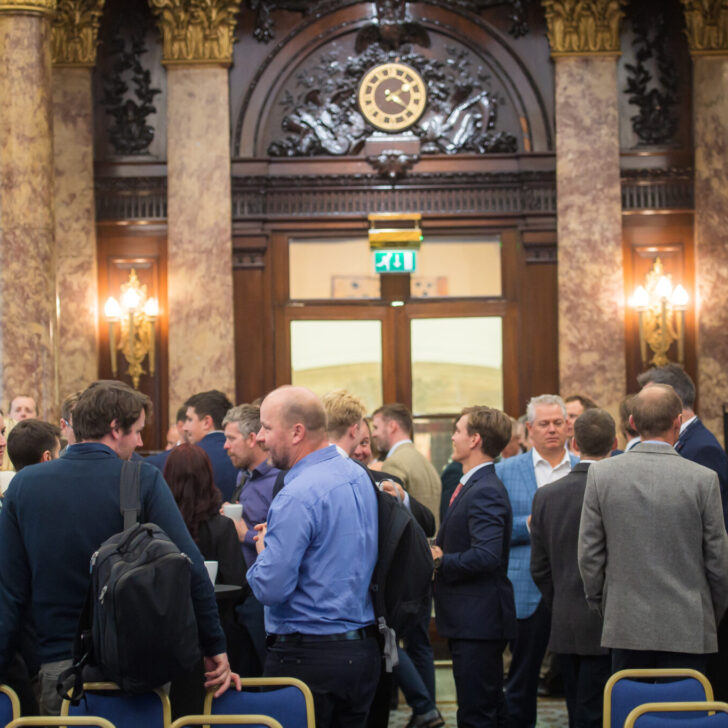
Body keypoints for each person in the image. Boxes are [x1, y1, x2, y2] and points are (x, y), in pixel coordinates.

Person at [0, 380, 239, 715]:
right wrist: (214, 644)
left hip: (60, 668)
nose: (140, 442)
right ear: (115, 428)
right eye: (137, 431)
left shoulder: (24, 485)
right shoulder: (141, 478)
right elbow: (191, 566)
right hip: (137, 666)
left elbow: (8, 591)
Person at [247, 385, 380, 727]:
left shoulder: (297, 494)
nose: (259, 437)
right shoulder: (358, 475)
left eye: (266, 427)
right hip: (361, 652)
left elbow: (271, 588)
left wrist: (263, 552)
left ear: (297, 432)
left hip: (306, 660)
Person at [578, 384, 728, 674]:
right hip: (688, 625)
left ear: (632, 422)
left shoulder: (601, 474)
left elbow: (589, 554)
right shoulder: (704, 479)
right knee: (681, 704)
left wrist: (603, 605)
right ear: (678, 422)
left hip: (625, 623)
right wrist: (710, 612)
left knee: (629, 702)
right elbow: (718, 562)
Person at [324, 391, 441, 728]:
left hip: (382, 613)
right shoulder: (311, 482)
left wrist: (401, 497)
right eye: (358, 442)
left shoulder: (384, 479)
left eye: (367, 443)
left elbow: (428, 522)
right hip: (336, 628)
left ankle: (424, 708)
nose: (363, 451)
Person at [495, 394, 578, 728]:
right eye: (544, 424)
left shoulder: (583, 468)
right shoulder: (505, 471)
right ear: (529, 429)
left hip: (575, 588)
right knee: (522, 678)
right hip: (525, 588)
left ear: (568, 426)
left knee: (576, 677)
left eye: (558, 422)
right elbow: (495, 529)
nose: (552, 429)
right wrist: (529, 525)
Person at [530, 409, 615, 728]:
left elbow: (539, 568)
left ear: (574, 443)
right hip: (612, 622)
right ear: (615, 443)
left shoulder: (546, 496)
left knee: (576, 710)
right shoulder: (620, 490)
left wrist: (561, 601)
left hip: (566, 619)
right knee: (607, 712)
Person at [432, 406, 516, 727]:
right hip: (471, 620)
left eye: (458, 431)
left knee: (477, 714)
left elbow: (486, 555)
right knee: (487, 709)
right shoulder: (473, 484)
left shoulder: (485, 490)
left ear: (475, 439)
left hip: (478, 622)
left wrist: (441, 560)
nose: (453, 437)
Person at [164, 443, 246, 717]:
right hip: (219, 635)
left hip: (171, 637)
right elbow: (237, 582)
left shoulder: (160, 529)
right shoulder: (223, 527)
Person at [371, 403, 439, 717]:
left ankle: (422, 708)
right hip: (425, 565)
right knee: (420, 643)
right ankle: (427, 708)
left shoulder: (396, 463)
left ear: (392, 426)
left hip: (405, 569)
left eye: (376, 427)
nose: (374, 435)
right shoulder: (424, 461)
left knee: (390, 641)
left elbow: (390, 516)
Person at [222, 403, 279, 675]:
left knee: (267, 673)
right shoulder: (243, 476)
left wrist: (245, 535)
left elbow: (282, 540)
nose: (225, 446)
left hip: (264, 598)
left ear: (252, 439)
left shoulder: (278, 481)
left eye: (231, 438)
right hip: (242, 592)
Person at [183, 390, 238, 501]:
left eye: (189, 419)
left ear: (207, 422)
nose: (185, 427)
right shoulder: (242, 453)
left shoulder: (188, 456)